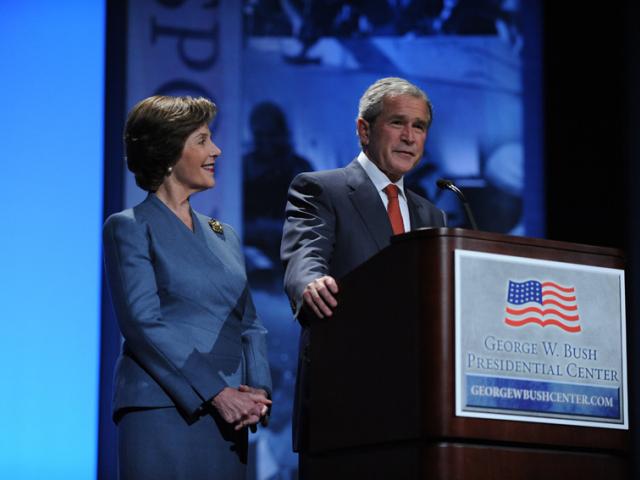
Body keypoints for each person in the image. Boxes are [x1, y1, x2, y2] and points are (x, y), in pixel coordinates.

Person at [280, 77, 446, 475]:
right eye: (397, 123)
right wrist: (309, 284)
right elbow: (305, 255)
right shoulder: (322, 190)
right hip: (344, 402)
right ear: (364, 129)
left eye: (419, 126)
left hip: (414, 411)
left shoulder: (432, 215)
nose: (409, 137)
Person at [103, 96, 272, 479]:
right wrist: (216, 393)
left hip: (231, 419)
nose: (216, 150)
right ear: (167, 152)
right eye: (201, 140)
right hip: (163, 408)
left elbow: (250, 323)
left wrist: (257, 392)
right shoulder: (129, 227)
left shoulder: (224, 234)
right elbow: (142, 324)